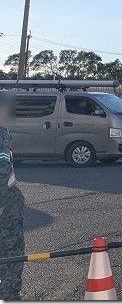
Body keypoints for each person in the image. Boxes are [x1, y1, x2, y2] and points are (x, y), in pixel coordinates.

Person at [0, 96, 24, 301]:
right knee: (11, 254)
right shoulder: (1, 134)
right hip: (6, 206)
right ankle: (9, 294)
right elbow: (2, 168)